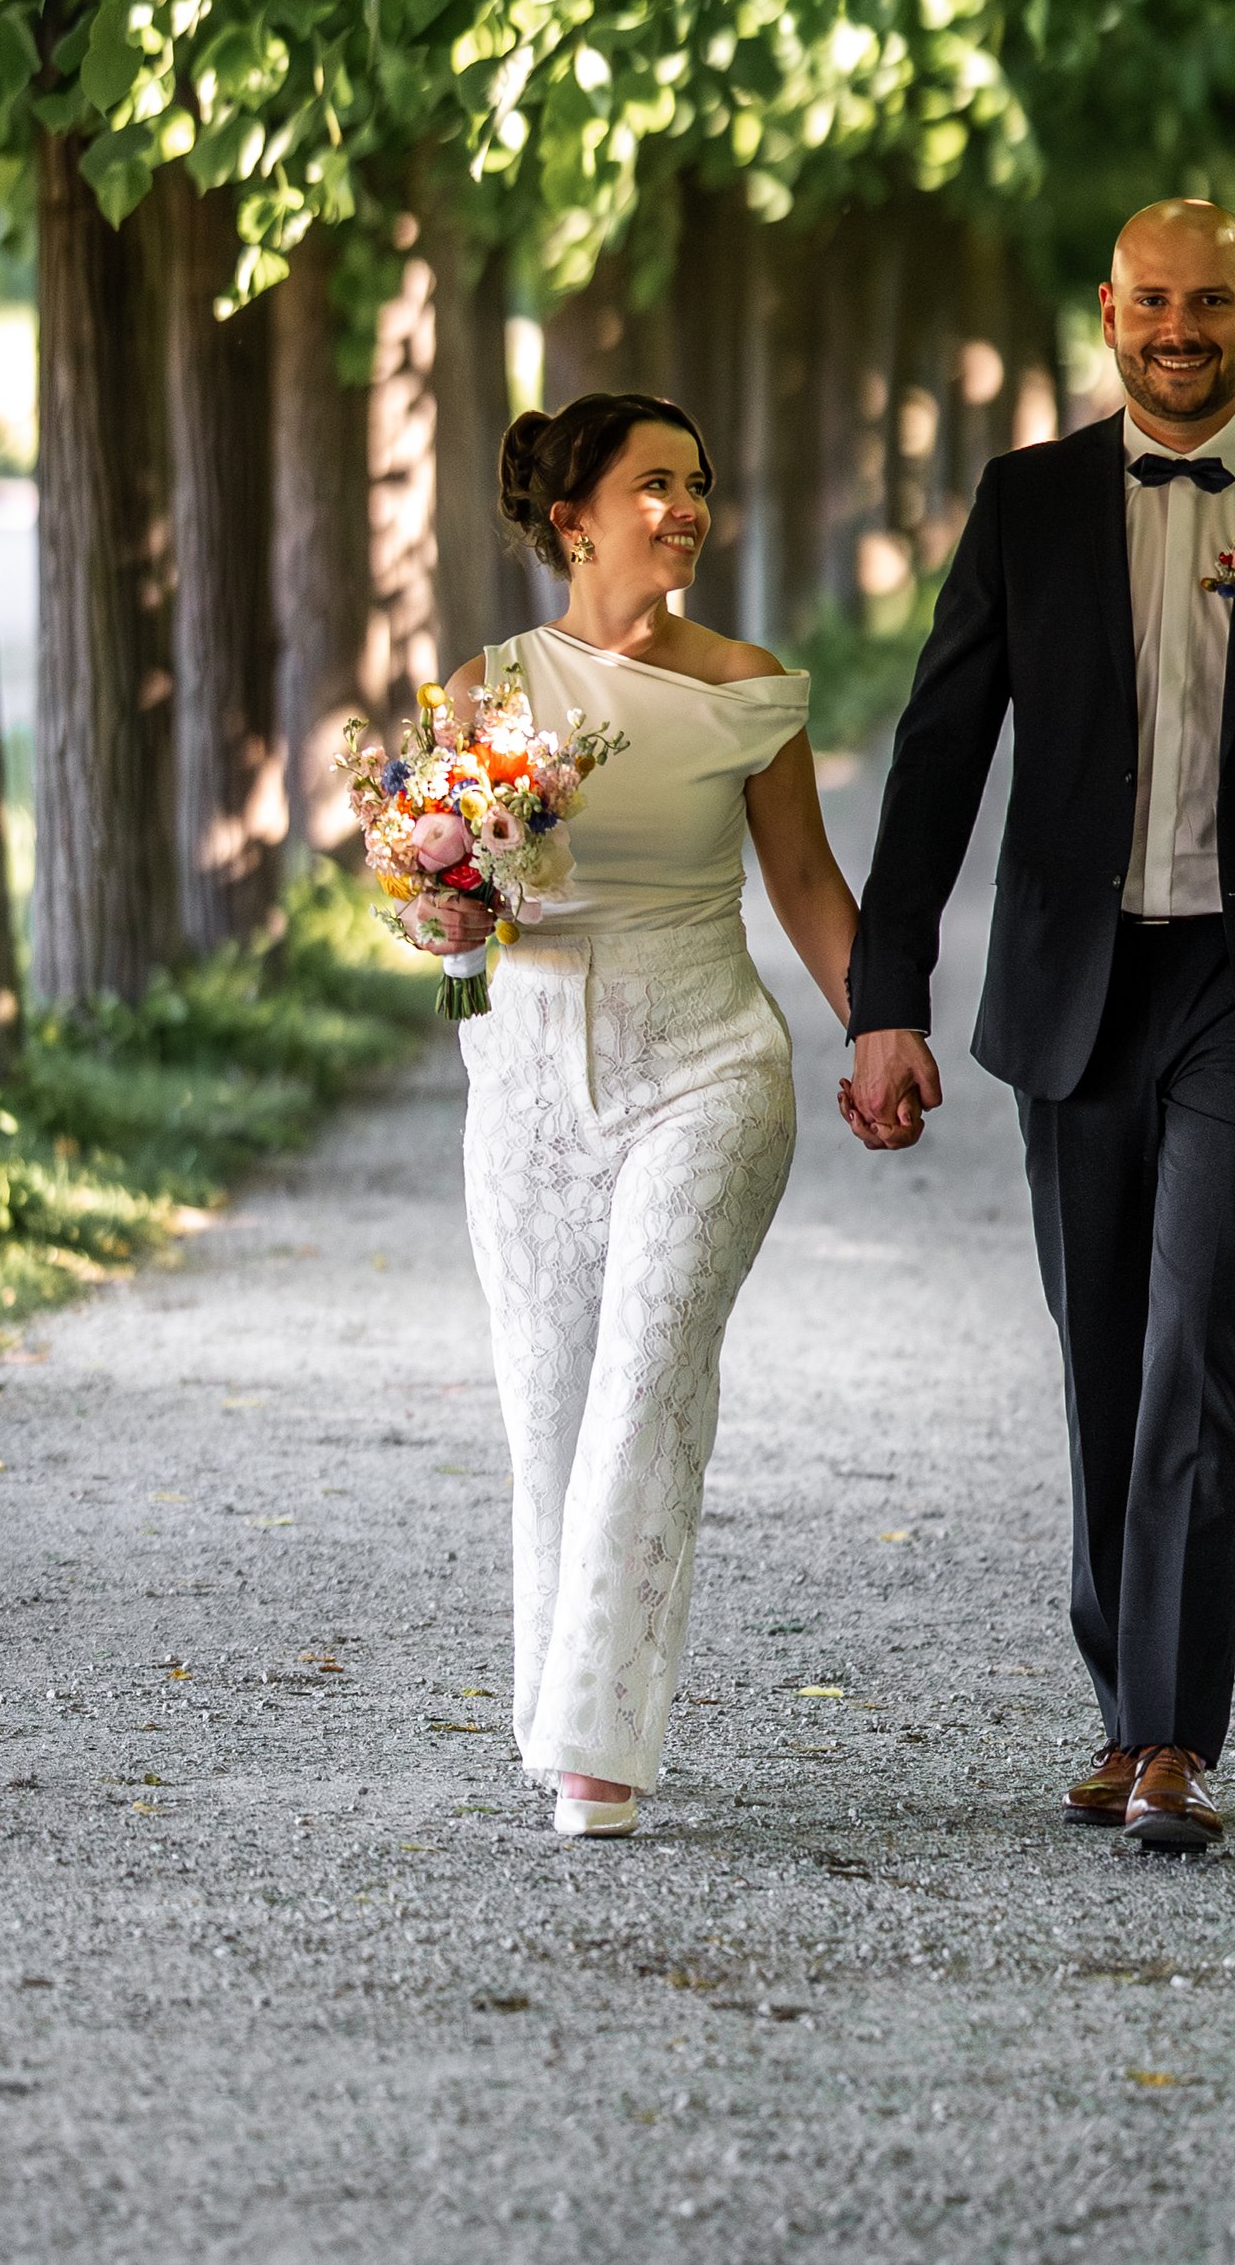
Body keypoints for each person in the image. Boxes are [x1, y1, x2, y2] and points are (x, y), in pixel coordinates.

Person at [842, 199, 1235, 1858]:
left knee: (1202, 1335)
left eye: (1210, 304)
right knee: (1102, 1351)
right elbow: (937, 759)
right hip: (1076, 987)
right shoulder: (1026, 503)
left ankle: (1175, 1736)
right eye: (1152, 303)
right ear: (1108, 311)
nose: (1179, 330)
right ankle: (1126, 1709)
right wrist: (883, 999)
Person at [419, 391, 862, 1839]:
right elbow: (442, 906)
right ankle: (554, 1691)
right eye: (654, 484)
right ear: (575, 519)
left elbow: (803, 885)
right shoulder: (486, 690)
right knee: (546, 1401)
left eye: (698, 483)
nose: (685, 507)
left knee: (649, 1373)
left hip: (708, 1066)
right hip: (530, 1081)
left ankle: (599, 1744)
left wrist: (886, 1033)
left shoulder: (748, 688)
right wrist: (440, 906)